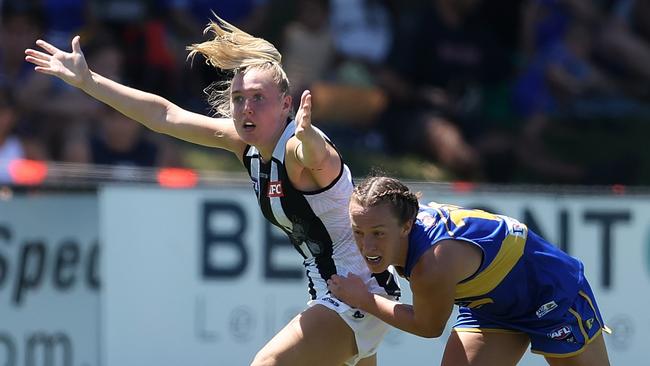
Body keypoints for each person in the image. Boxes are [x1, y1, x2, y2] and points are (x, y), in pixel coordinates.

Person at [24, 17, 400, 366]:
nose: (244, 108)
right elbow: (164, 116)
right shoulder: (247, 145)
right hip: (335, 291)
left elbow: (316, 155)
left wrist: (309, 136)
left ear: (287, 105)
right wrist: (89, 82)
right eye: (238, 99)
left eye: (257, 98)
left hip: (357, 293)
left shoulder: (297, 148)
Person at [327, 176, 611, 365]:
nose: (366, 245)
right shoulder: (396, 215)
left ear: (406, 226)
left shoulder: (432, 264)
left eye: (378, 233)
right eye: (358, 232)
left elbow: (428, 327)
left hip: (549, 293)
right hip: (489, 303)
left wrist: (364, 299)